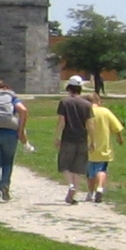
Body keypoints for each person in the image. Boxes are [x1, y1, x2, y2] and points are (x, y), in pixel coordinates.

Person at [55, 74, 96, 204]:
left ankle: (70, 185)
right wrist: (93, 141)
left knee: (64, 164)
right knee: (78, 168)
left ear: (69, 88)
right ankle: (74, 193)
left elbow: (61, 121)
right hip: (82, 139)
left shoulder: (64, 102)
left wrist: (57, 137)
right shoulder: (87, 104)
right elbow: (90, 124)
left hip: (68, 137)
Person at [86, 92, 125, 202]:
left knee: (90, 172)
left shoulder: (85, 112)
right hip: (103, 147)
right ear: (98, 101)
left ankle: (90, 193)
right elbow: (117, 127)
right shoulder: (105, 112)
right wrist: (120, 138)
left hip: (88, 146)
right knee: (101, 170)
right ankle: (100, 188)